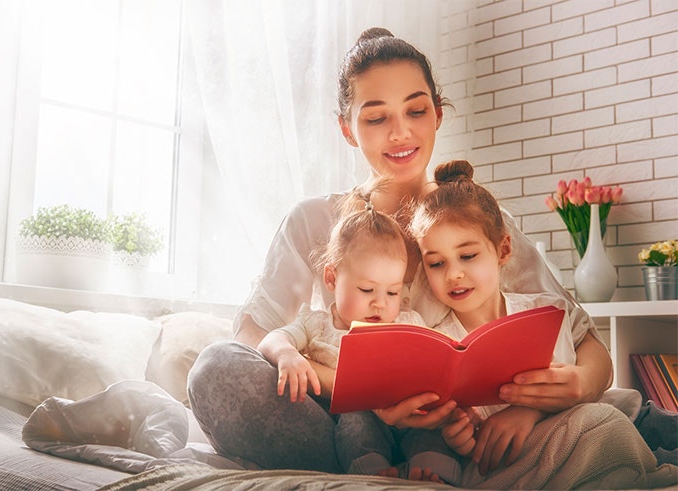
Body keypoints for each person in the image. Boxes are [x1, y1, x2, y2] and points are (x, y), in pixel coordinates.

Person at [187, 27, 614, 474]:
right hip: (341, 421)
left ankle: (411, 466)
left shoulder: (482, 223)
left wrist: (578, 385)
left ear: (437, 115)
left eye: (416, 110)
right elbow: (252, 337)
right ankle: (369, 467)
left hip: (456, 433)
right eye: (376, 118)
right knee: (217, 370)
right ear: (347, 130)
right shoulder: (313, 220)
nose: (401, 132)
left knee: (605, 420)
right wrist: (360, 393)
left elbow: (587, 344)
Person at [256, 184, 449, 482]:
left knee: (432, 433)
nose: (380, 303)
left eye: (393, 291)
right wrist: (287, 354)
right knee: (357, 421)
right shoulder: (316, 323)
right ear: (332, 278)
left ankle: (431, 472)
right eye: (366, 289)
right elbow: (271, 339)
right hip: (356, 419)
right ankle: (373, 473)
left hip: (409, 419)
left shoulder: (407, 322)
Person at [407, 160, 584, 478]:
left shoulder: (544, 313)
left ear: (502, 250)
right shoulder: (436, 340)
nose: (454, 274)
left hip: (562, 437)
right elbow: (460, 439)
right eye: (436, 263)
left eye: (468, 256)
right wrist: (460, 436)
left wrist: (527, 411)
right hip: (498, 465)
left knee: (603, 424)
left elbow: (571, 398)